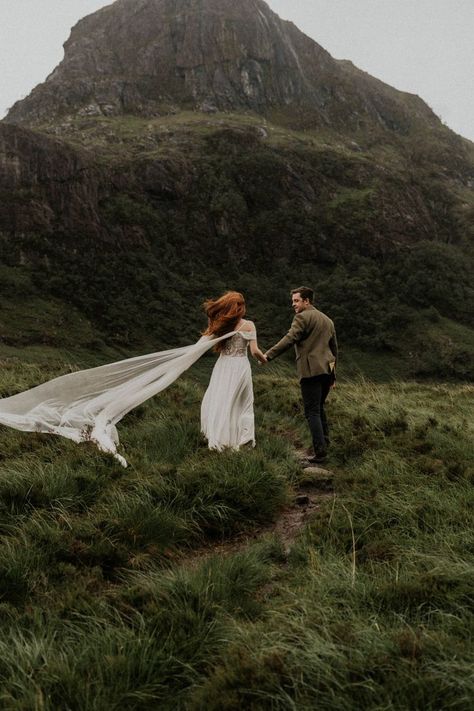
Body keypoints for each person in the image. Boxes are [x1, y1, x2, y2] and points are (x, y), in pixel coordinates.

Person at [264, 286, 337, 464]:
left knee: (312, 411)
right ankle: (325, 446)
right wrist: (333, 376)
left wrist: (268, 355)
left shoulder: (302, 317)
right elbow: (334, 349)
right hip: (327, 371)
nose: (293, 304)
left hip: (310, 371)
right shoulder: (328, 320)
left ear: (307, 301)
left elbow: (290, 339)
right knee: (319, 409)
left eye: (296, 300)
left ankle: (320, 453)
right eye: (293, 301)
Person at [200, 291, 266, 450]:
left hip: (222, 366)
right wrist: (263, 359)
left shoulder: (221, 325)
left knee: (222, 400)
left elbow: (202, 343)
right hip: (240, 366)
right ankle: (244, 440)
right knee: (244, 403)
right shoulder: (248, 325)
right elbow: (255, 351)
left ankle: (221, 438)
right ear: (239, 307)